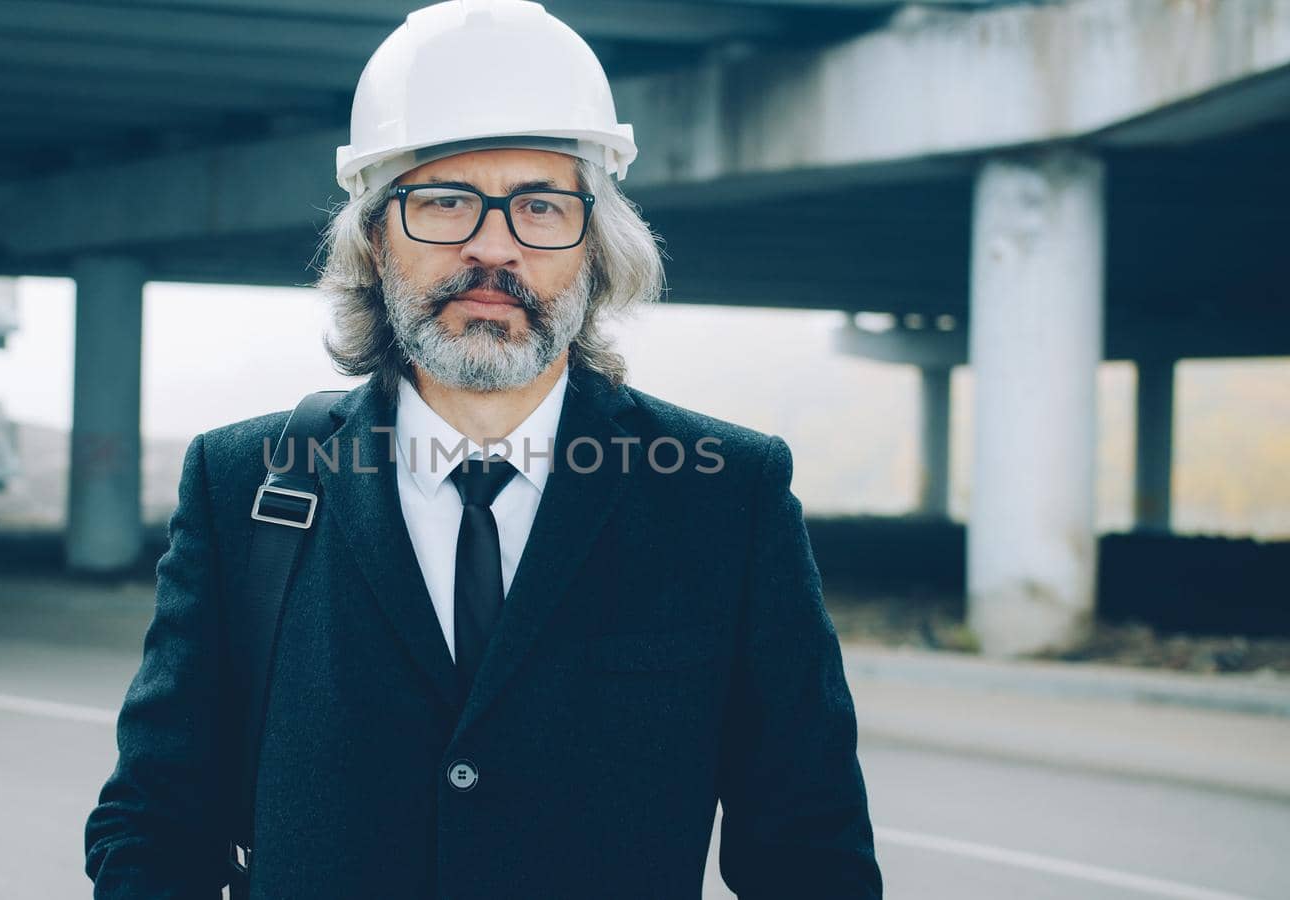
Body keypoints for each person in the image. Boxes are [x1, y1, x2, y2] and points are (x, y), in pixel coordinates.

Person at [85, 1, 882, 897]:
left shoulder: (724, 495)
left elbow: (811, 850)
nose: (492, 245)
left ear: (594, 247)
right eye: (445, 201)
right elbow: (155, 822)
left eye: (541, 206)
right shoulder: (243, 488)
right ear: (377, 239)